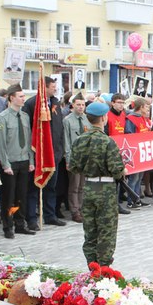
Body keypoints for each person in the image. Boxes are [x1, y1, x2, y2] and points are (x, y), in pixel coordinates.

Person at [68, 102, 126, 267]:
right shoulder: (107, 142)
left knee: (90, 230)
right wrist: (123, 171)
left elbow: (73, 166)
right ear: (103, 118)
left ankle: (91, 265)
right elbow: (116, 170)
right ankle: (104, 267)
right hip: (105, 190)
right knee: (106, 230)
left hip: (88, 188)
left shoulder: (80, 140)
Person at [22, 76, 66, 230]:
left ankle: (50, 215)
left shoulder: (55, 103)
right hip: (38, 154)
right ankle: (32, 219)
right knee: (34, 189)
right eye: (53, 86)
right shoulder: (31, 104)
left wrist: (60, 150)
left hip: (54, 153)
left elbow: (59, 128)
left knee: (51, 187)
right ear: (44, 87)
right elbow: (28, 130)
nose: (55, 89)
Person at [0, 84, 36, 238]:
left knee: (21, 195)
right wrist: (5, 164)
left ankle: (20, 224)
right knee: (8, 196)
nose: (23, 99)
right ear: (12, 98)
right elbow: (1, 143)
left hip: (24, 160)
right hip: (10, 163)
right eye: (20, 96)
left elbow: (28, 140)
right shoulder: (3, 117)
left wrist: (31, 160)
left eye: (23, 96)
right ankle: (8, 226)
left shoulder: (24, 116)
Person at [63, 94, 91, 222]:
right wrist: (68, 159)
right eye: (78, 104)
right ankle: (75, 210)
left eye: (83, 105)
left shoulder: (87, 119)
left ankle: (82, 207)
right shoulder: (67, 120)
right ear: (73, 105)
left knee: (83, 185)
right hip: (74, 156)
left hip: (85, 157)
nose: (81, 107)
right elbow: (66, 141)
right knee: (74, 185)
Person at [124, 98, 152, 208]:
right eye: (146, 107)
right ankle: (131, 201)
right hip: (135, 152)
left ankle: (137, 198)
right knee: (134, 178)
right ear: (140, 107)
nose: (148, 109)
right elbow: (129, 135)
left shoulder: (142, 119)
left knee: (139, 178)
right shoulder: (131, 119)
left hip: (142, 152)